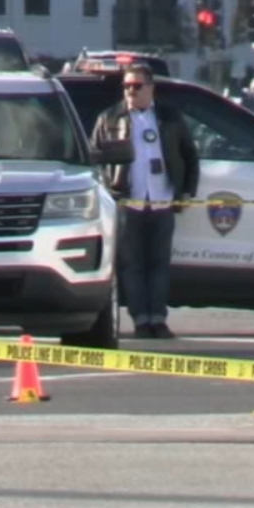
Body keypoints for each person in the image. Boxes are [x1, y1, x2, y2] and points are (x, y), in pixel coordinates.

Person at [91, 63, 200, 339]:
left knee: (159, 264)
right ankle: (141, 319)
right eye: (127, 86)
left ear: (151, 88)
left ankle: (158, 319)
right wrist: (109, 194)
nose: (131, 91)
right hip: (129, 204)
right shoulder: (110, 118)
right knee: (133, 265)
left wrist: (187, 190)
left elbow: (189, 155)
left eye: (137, 86)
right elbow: (96, 160)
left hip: (162, 202)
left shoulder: (168, 117)